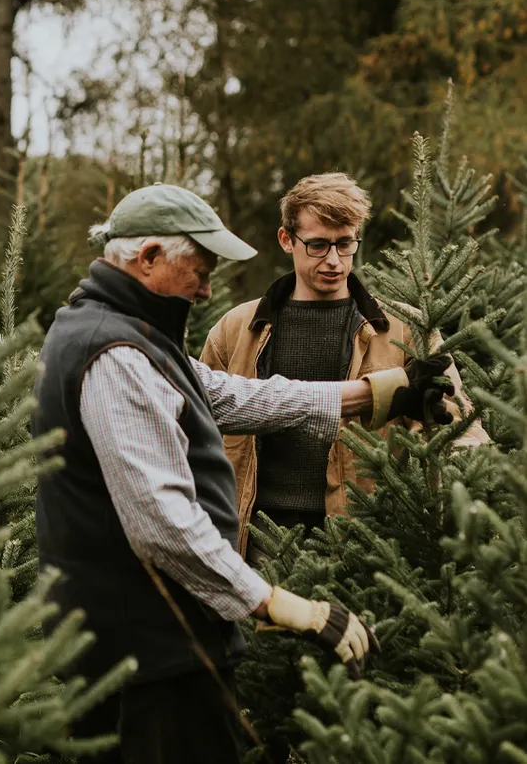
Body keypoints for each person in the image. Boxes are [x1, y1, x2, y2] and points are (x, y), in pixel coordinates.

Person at [32, 184, 454, 764]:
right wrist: (277, 603)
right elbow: (161, 522)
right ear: (149, 257)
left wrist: (378, 393)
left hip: (155, 641)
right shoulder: (116, 355)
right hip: (144, 650)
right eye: (199, 270)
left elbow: (239, 397)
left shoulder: (128, 333)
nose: (207, 288)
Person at [200, 173, 487, 561]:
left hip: (362, 540)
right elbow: (199, 438)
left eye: (345, 243)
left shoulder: (406, 327)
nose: (334, 260)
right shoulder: (235, 329)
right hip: (256, 540)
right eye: (317, 245)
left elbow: (459, 427)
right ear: (287, 240)